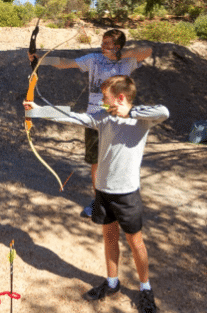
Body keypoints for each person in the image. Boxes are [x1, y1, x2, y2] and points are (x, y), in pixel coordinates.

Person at [24, 74, 169, 313]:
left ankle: (145, 287)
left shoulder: (142, 119)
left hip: (127, 194)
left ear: (120, 97)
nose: (102, 101)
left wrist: (129, 113)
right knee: (109, 237)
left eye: (105, 97)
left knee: (136, 243)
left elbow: (164, 111)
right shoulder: (102, 117)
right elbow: (74, 117)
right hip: (103, 191)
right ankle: (112, 282)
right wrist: (38, 110)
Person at [28, 29, 153, 217]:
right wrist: (41, 59)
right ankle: (99, 202)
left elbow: (147, 50)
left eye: (107, 44)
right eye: (102, 43)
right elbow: (65, 63)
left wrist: (120, 55)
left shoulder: (128, 61)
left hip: (118, 120)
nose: (102, 47)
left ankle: (120, 200)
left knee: (116, 161)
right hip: (94, 118)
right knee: (95, 162)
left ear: (117, 46)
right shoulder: (94, 59)